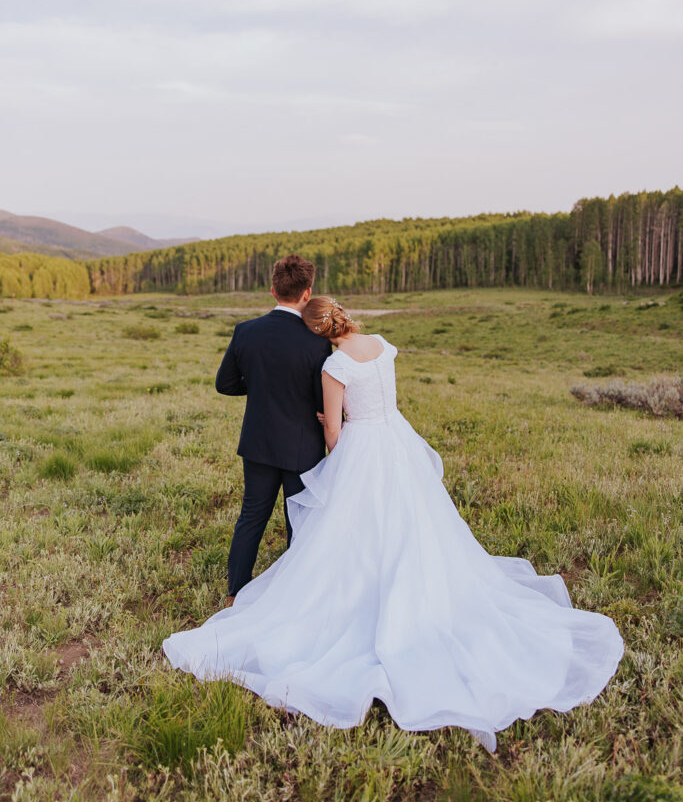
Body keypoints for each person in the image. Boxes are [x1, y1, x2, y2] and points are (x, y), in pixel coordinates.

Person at [164, 296, 624, 752]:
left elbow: (333, 432)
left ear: (318, 331)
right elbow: (382, 400)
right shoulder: (383, 344)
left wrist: (332, 434)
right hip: (397, 444)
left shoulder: (335, 367)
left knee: (354, 533)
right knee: (415, 526)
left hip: (363, 449)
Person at [214, 254, 331, 599]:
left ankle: (235, 591)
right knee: (300, 522)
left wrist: (261, 384)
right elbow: (322, 400)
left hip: (259, 443)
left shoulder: (246, 331)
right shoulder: (316, 341)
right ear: (307, 293)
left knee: (251, 516)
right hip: (302, 447)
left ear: (272, 290)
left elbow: (225, 383)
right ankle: (293, 596)